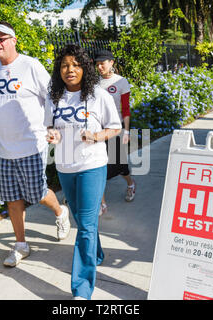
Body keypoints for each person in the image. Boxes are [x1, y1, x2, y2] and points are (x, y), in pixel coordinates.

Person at [0, 21, 70, 267]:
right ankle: (21, 245)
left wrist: (53, 126)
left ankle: (60, 212)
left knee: (37, 193)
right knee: (12, 198)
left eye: (2, 39)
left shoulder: (30, 65)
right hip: (5, 147)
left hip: (33, 143)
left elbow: (53, 96)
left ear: (14, 40)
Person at [45, 44, 121, 299]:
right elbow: (49, 127)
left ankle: (82, 289)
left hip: (92, 166)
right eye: (65, 65)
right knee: (83, 221)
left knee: (85, 227)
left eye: (76, 65)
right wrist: (52, 135)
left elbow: (115, 127)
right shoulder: (54, 97)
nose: (70, 70)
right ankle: (96, 254)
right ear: (59, 70)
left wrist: (98, 135)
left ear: (84, 68)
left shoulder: (98, 96)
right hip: (65, 166)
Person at [94, 49, 136, 216]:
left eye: (102, 63)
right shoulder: (95, 82)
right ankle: (101, 203)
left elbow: (125, 109)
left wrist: (126, 131)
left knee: (120, 165)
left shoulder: (121, 82)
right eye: (97, 64)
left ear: (111, 63)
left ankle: (131, 183)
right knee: (98, 165)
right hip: (98, 130)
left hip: (115, 128)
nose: (99, 67)